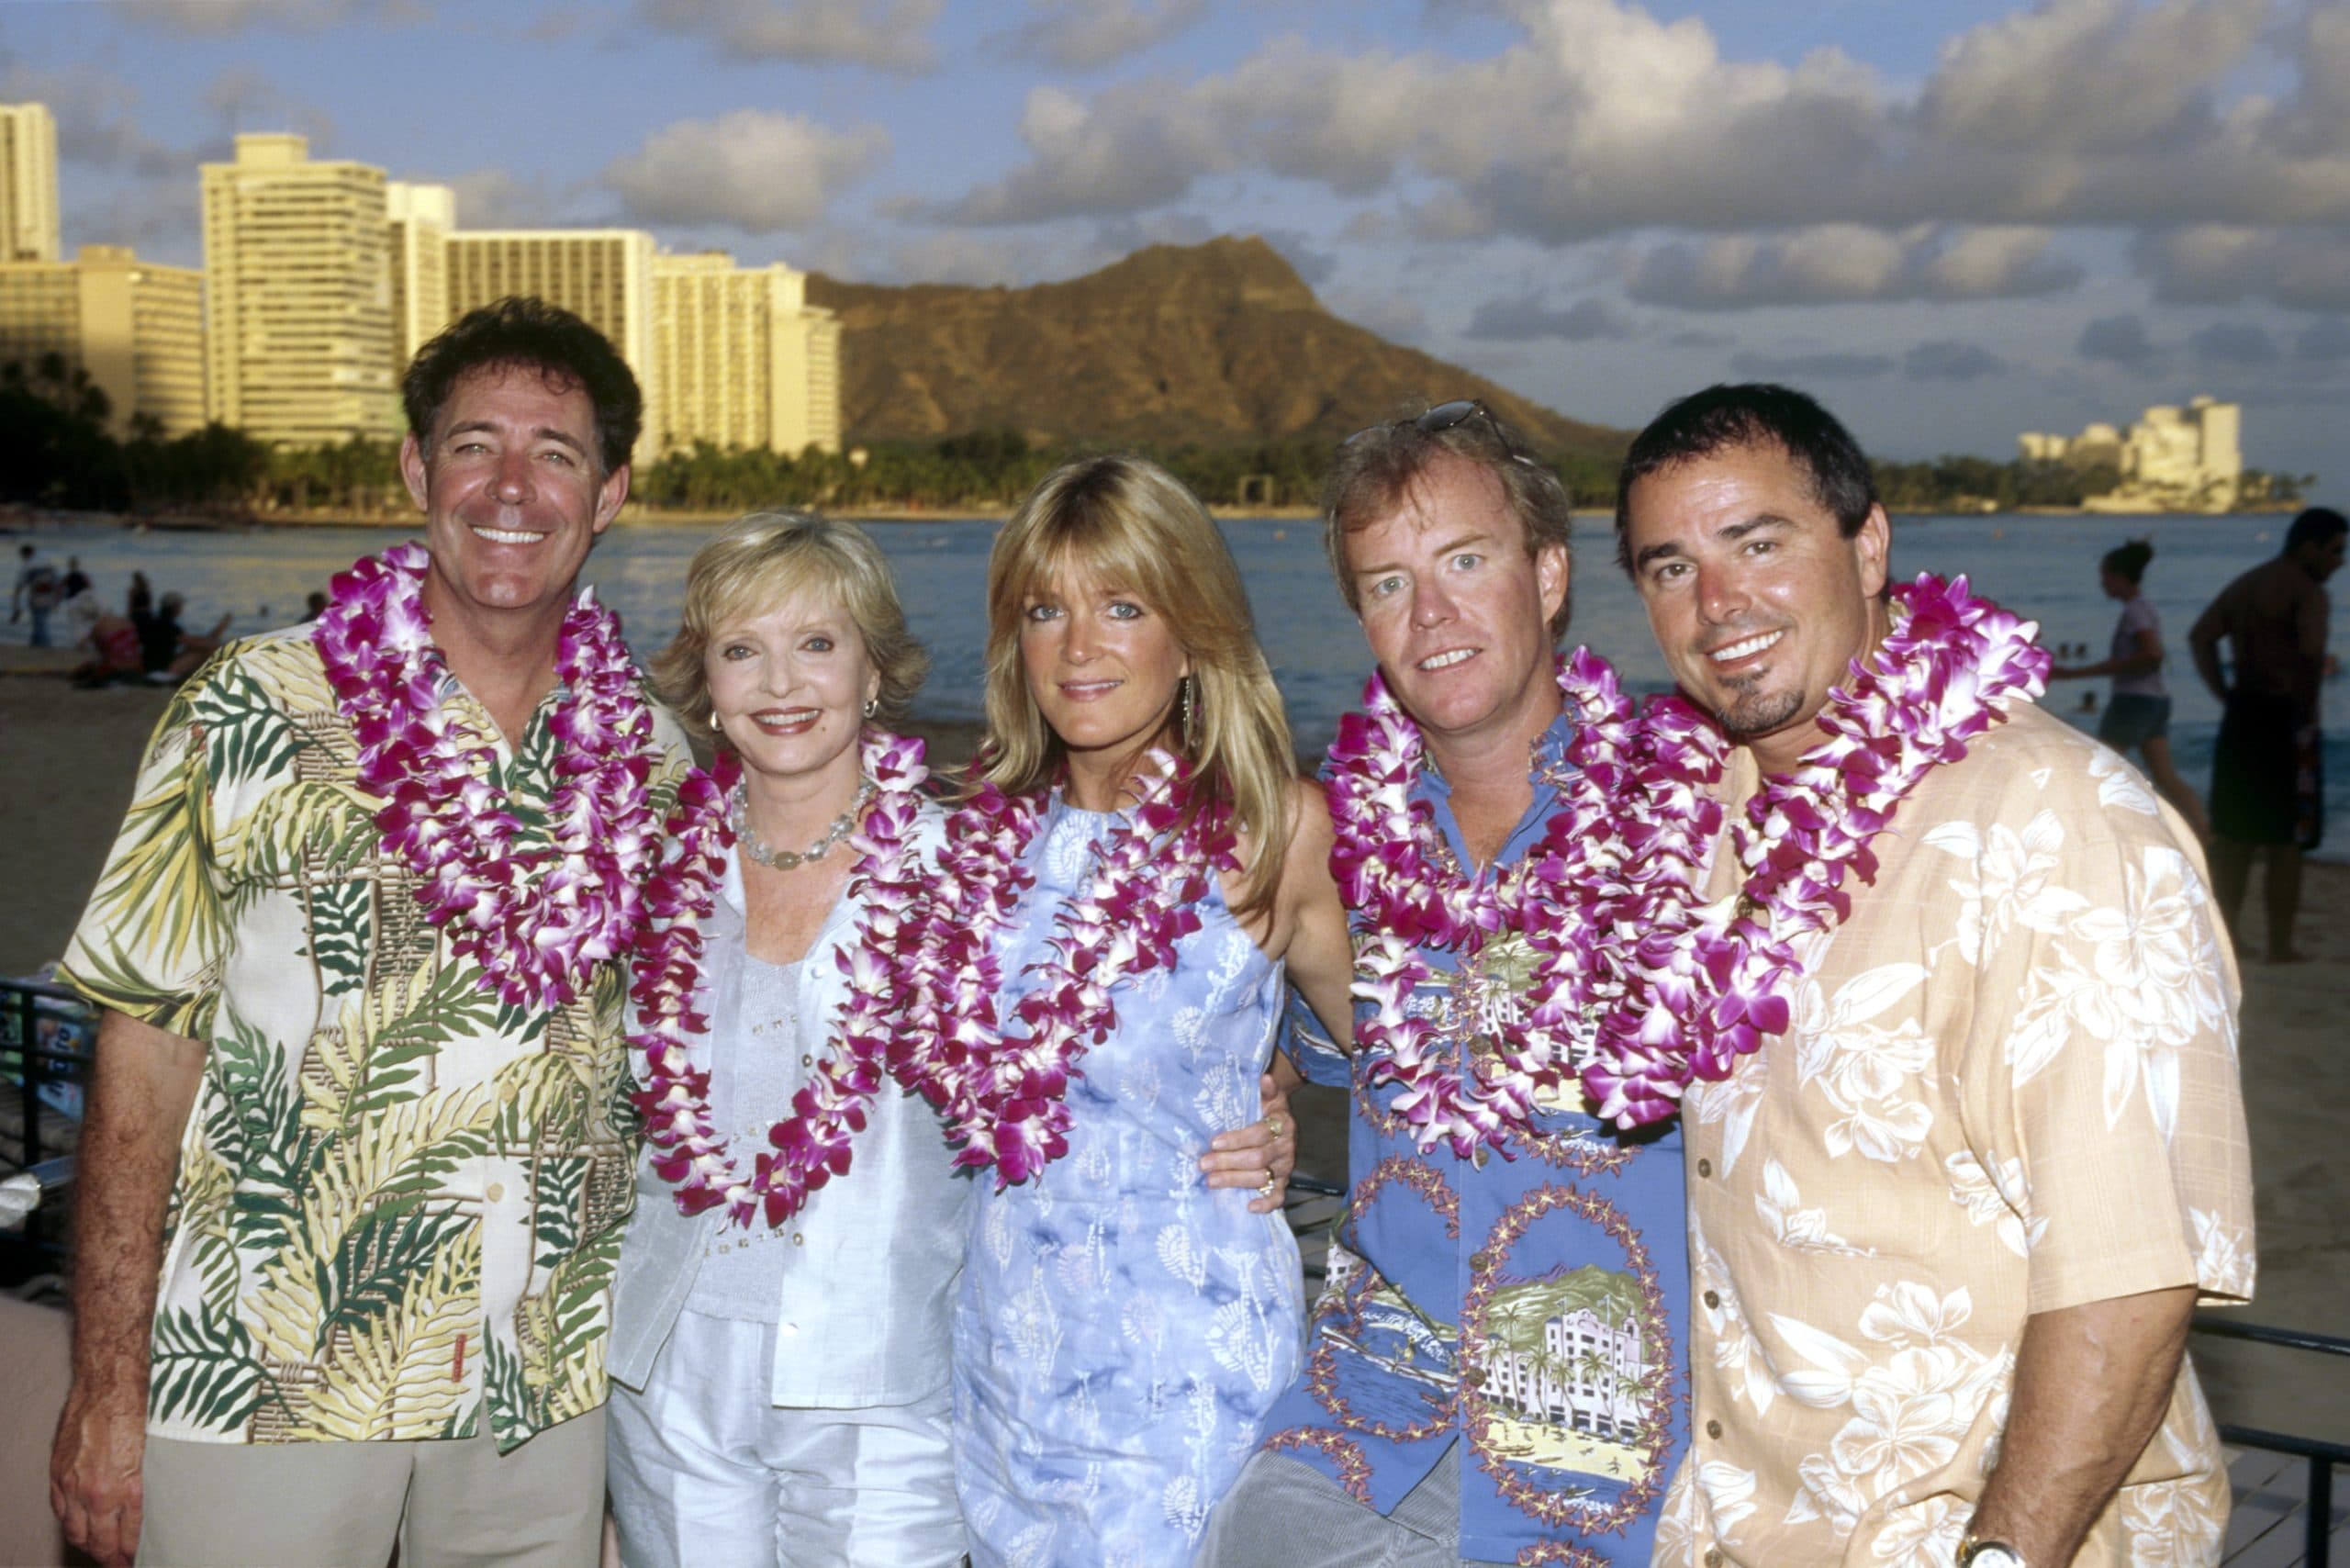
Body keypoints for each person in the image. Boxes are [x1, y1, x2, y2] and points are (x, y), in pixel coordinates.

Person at [48, 297, 693, 1568]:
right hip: (265, 1383)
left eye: (556, 453)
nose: (512, 486)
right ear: (416, 469)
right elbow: (142, 1059)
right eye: (474, 444)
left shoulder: (653, 760)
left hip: (536, 1398)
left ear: (609, 493)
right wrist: (107, 1389)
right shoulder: (253, 709)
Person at [1615, 383, 2253, 1568]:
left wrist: (2004, 1557)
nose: (1717, 604)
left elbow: (2130, 1273)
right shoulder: (1697, 827)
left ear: (1867, 546)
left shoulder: (2058, 823)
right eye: (1668, 567)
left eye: (1758, 543)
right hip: (1740, 1529)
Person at [1206, 400, 1692, 1567]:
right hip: (1374, 1406)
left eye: (1465, 562)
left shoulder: (1689, 817)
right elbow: (1292, 1040)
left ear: (1548, 572)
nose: (1430, 616)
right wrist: (1263, 1100)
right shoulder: (1340, 841)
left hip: (1612, 1432)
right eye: (1386, 583)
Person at [921, 454, 1352, 1567]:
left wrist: (1286, 1090)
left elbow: (1396, 1058)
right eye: (1044, 610)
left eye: (1122, 606)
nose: (1077, 647)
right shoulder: (980, 839)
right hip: (1003, 1343)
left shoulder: (1277, 832)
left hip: (1183, 1352)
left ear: (1193, 628)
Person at [605, 512, 970, 1567]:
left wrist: (1265, 1093)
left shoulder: (966, 878)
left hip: (880, 1384)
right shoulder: (660, 873)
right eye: (740, 649)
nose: (780, 683)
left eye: (816, 643)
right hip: (670, 1376)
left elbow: (1095, 1063)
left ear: (872, 671)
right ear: (706, 685)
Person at [2188, 506, 2344, 963]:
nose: (2340, 561)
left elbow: (2201, 637)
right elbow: (2312, 658)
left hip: (2242, 717)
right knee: (2286, 839)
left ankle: (2229, 937)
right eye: (2335, 550)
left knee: (2235, 836)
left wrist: (2224, 693)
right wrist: (2309, 719)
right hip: (2285, 718)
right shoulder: (2308, 591)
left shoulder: (2248, 584)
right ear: (2308, 546)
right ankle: (2279, 944)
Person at [2048, 539, 2210, 839]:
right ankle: (2203, 832)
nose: (2102, 583)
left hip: (2134, 701)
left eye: (2106, 576)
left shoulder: (2135, 612)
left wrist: (2073, 673)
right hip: (2157, 700)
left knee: (2099, 768)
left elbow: (2152, 653)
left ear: (2120, 578)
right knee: (2166, 777)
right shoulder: (2144, 608)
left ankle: (2094, 831)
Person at [12, 542, 62, 646]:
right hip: (50, 598)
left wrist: (16, 607)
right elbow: (58, 584)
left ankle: (45, 645)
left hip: (36, 598)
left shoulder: (27, 566)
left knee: (40, 622)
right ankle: (34, 645)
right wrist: (57, 601)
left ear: (25, 554)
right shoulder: (48, 563)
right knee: (40, 622)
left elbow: (18, 588)